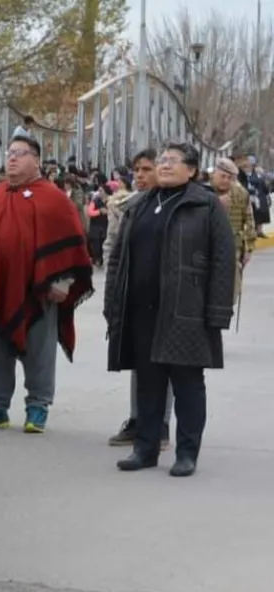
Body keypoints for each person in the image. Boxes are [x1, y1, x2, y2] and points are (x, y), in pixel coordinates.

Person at [104, 143, 236, 477]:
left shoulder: (205, 205)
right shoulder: (141, 204)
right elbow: (119, 257)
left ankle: (187, 453)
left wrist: (218, 313)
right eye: (161, 160)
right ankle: (145, 449)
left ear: (191, 170)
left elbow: (223, 261)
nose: (163, 166)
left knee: (187, 383)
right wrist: (113, 304)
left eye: (171, 161)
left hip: (185, 311)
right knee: (149, 383)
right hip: (142, 310)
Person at [0, 134, 93, 433]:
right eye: (10, 153)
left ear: (36, 159)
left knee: (39, 349)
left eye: (20, 153)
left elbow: (73, 243)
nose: (12, 158)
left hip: (38, 290)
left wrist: (63, 280)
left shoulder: (53, 199)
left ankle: (38, 405)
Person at [104, 148, 174, 448]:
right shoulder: (129, 206)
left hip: (169, 299)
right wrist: (113, 295)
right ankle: (139, 418)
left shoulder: (182, 205)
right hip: (134, 295)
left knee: (167, 364)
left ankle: (159, 424)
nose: (141, 175)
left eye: (147, 169)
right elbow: (113, 250)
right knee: (138, 361)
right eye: (137, 170)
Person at [211, 157, 256, 305]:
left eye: (229, 178)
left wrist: (249, 249)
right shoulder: (203, 192)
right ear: (214, 175)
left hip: (233, 250)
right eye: (222, 176)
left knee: (231, 291)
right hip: (207, 249)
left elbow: (249, 221)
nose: (225, 181)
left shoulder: (241, 194)